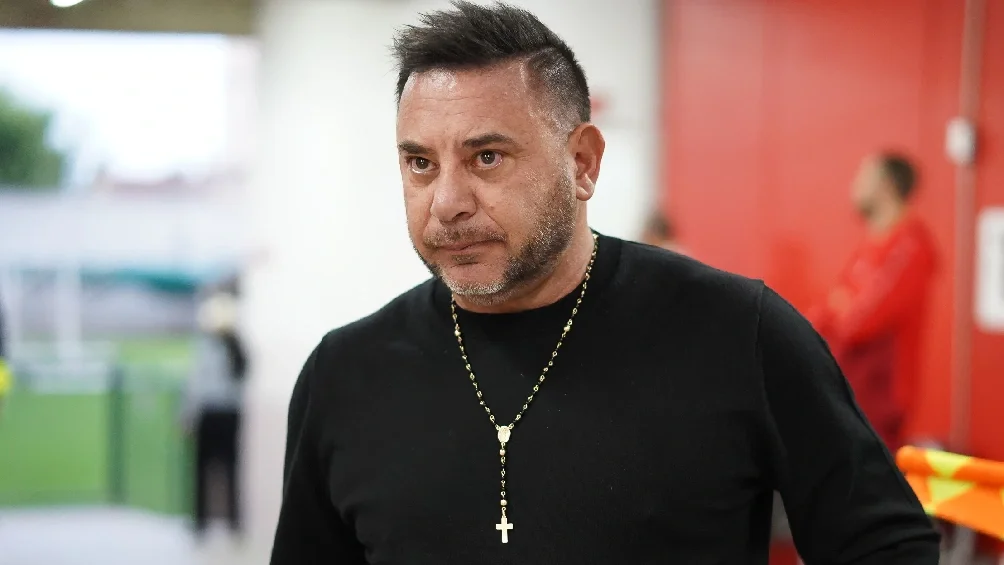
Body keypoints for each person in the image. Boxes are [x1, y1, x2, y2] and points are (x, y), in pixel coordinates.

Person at [270, 3, 939, 563]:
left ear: (583, 163)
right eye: (420, 163)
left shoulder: (740, 334)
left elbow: (886, 545)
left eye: (487, 157)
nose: (447, 202)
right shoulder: (344, 375)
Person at [808, 153, 937, 453]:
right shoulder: (869, 246)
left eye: (863, 177)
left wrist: (841, 306)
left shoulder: (909, 248)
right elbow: (823, 314)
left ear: (886, 186)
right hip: (848, 394)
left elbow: (857, 323)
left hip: (879, 402)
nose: (854, 186)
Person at [181, 286, 248, 540]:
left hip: (214, 413)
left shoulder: (219, 347)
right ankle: (229, 522)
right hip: (227, 414)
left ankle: (209, 522)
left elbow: (197, 384)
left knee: (209, 469)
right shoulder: (234, 347)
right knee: (226, 468)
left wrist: (187, 414)